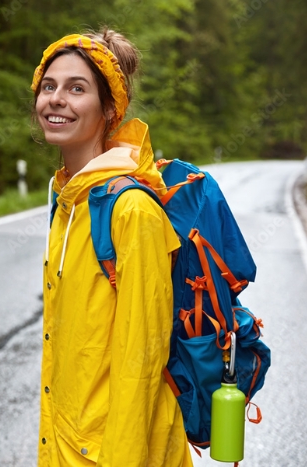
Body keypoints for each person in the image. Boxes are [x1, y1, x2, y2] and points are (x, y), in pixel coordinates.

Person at [33, 28, 195, 467]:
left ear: (109, 110)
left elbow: (139, 363)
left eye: (76, 88)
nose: (55, 99)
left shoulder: (131, 211)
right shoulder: (68, 200)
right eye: (48, 86)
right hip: (67, 445)